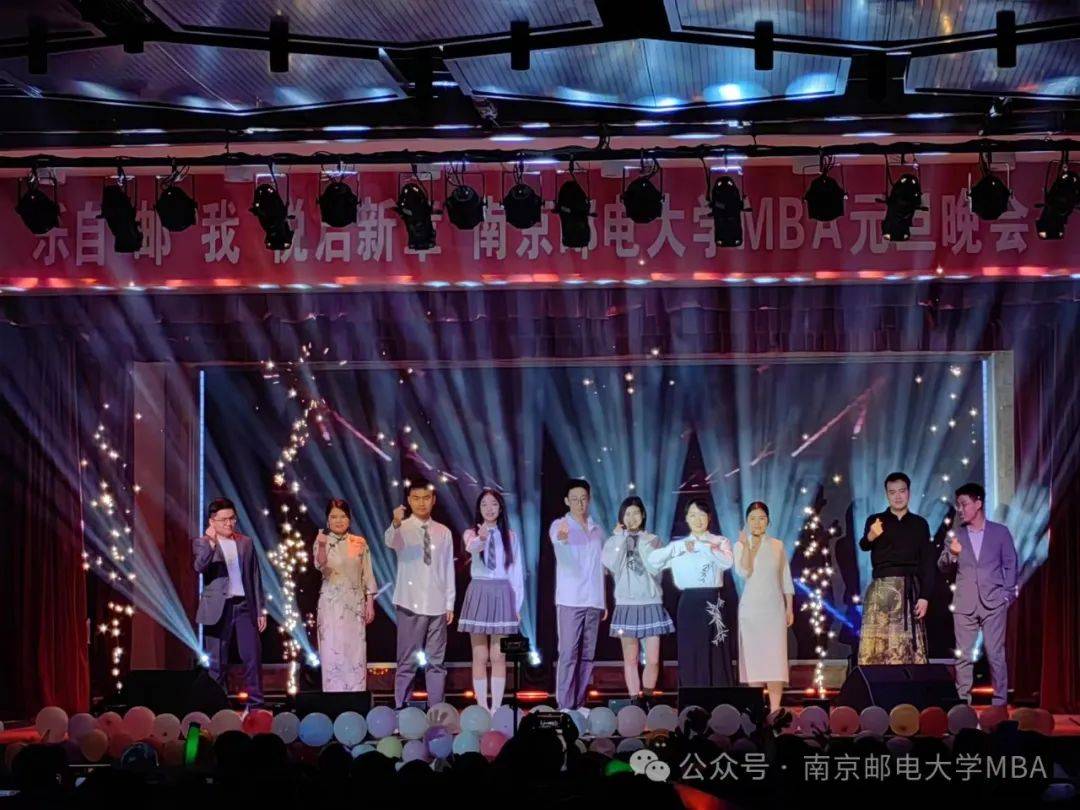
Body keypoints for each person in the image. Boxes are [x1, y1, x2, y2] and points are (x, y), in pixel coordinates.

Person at [938, 482, 1017, 706]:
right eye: (958, 505)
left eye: (964, 504)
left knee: (995, 654)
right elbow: (942, 566)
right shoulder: (955, 535)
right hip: (965, 602)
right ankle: (962, 702)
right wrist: (952, 555)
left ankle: (1000, 702)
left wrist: (1007, 594)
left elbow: (1011, 563)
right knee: (963, 656)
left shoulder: (1000, 532)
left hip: (994, 601)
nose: (960, 509)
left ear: (978, 503)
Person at [648, 498, 735, 687]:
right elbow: (653, 561)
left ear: (709, 517)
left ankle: (720, 698)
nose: (698, 520)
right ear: (686, 518)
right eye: (693, 515)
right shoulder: (680, 545)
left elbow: (727, 563)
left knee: (716, 651)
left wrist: (702, 547)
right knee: (691, 651)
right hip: (689, 603)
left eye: (702, 515)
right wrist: (678, 547)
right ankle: (692, 697)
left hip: (713, 601)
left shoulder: (719, 541)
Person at [384, 480, 455, 708]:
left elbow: (448, 568)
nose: (421, 503)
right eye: (416, 498)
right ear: (408, 500)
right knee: (407, 662)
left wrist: (450, 603)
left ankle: (436, 710)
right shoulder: (402, 528)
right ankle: (401, 709)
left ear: (433, 500)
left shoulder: (443, 532)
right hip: (409, 602)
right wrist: (395, 522)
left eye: (426, 498)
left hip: (437, 604)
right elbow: (390, 541)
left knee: (436, 663)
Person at [193, 498, 266, 706]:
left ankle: (256, 705)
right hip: (217, 608)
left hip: (244, 606)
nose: (229, 523)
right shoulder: (202, 543)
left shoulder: (245, 542)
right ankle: (217, 707)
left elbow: (255, 576)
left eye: (232, 518)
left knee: (252, 658)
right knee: (217, 663)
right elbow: (199, 567)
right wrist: (211, 542)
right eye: (223, 520)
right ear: (212, 521)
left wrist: (260, 609)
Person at [857, 472, 936, 665]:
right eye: (892, 492)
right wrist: (871, 536)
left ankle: (908, 682)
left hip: (910, 590)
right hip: (881, 588)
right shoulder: (876, 520)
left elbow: (928, 562)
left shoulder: (919, 524)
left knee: (907, 647)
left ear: (909, 492)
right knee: (878, 647)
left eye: (902, 491)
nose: (897, 496)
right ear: (886, 494)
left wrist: (925, 596)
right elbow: (864, 545)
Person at [459, 488, 524, 712]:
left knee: (499, 655)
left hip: (503, 592)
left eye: (494, 504)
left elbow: (516, 571)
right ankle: (482, 707)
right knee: (480, 655)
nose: (489, 508)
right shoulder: (471, 533)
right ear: (479, 508)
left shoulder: (511, 536)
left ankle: (496, 707)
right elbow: (472, 548)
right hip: (479, 590)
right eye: (484, 504)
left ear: (501, 508)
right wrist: (482, 537)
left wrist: (517, 605)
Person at [602, 495, 673, 699]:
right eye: (627, 513)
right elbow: (612, 565)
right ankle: (635, 700)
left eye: (636, 513)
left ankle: (648, 698)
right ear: (621, 517)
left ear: (643, 515)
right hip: (627, 605)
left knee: (653, 659)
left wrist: (641, 542)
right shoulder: (613, 541)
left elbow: (656, 567)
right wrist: (620, 539)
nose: (632, 517)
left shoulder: (654, 540)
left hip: (651, 603)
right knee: (630, 660)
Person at [549, 478, 607, 710]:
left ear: (589, 500)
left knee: (587, 655)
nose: (579, 503)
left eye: (583, 499)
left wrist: (603, 601)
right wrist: (563, 539)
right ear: (567, 501)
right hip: (570, 600)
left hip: (594, 600)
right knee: (568, 654)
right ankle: (564, 705)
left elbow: (600, 568)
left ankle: (580, 703)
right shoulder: (560, 525)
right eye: (574, 499)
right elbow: (559, 545)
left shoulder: (597, 530)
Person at [733, 501, 794, 714]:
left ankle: (776, 710)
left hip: (774, 609)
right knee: (754, 662)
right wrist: (747, 547)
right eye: (752, 519)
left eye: (761, 518)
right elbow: (744, 572)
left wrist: (789, 607)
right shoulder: (740, 545)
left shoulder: (777, 545)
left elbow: (786, 578)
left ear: (768, 521)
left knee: (775, 660)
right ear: (747, 521)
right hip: (751, 611)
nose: (757, 523)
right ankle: (757, 710)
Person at [314, 498, 378, 692]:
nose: (338, 521)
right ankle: (334, 698)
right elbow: (320, 565)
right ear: (327, 520)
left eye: (342, 516)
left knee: (354, 652)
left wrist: (369, 602)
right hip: (331, 604)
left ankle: (355, 697)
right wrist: (322, 545)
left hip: (354, 604)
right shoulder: (322, 540)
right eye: (333, 517)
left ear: (349, 519)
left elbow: (367, 573)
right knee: (332, 652)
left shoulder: (359, 542)